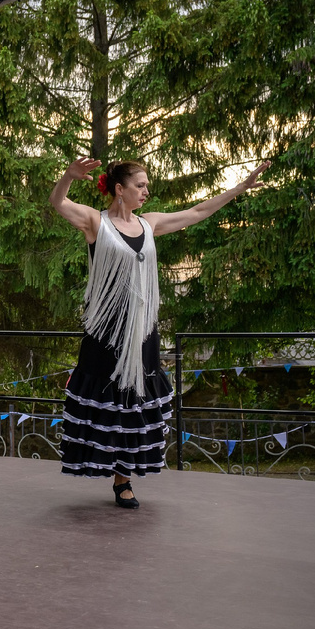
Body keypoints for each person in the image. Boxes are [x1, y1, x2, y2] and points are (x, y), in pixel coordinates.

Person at [50, 157, 270, 508]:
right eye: (140, 185)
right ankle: (105, 466)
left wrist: (241, 187)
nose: (146, 191)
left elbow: (197, 212)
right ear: (119, 189)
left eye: (147, 186)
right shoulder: (96, 222)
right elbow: (58, 202)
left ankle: (123, 481)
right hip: (106, 331)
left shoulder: (148, 224)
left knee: (135, 401)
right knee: (108, 398)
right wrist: (68, 176)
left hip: (141, 332)